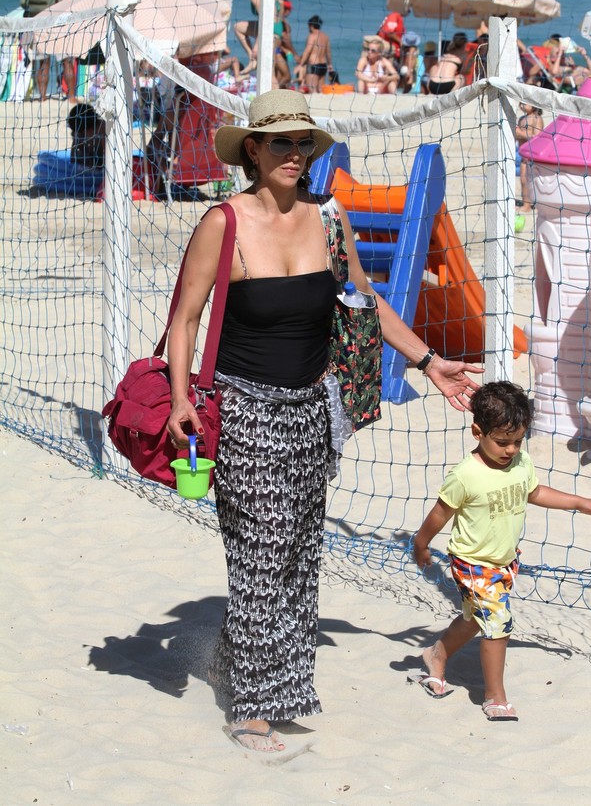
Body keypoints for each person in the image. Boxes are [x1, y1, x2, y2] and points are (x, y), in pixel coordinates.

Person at [165, 89, 483, 754]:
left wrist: (429, 362)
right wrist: (179, 399)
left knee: (297, 559)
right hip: (244, 407)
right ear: (252, 150)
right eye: (280, 142)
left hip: (313, 414)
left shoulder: (329, 219)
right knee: (260, 552)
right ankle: (251, 708)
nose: (294, 154)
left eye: (302, 142)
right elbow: (184, 321)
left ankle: (241, 665)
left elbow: (367, 302)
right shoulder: (223, 223)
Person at [413, 381, 591, 722]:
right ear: (478, 432)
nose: (510, 449)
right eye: (502, 442)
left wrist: (578, 503)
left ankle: (437, 655)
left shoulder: (521, 463)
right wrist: (420, 544)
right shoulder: (466, 475)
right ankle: (495, 696)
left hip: (504, 560)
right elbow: (439, 514)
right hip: (471, 561)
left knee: (476, 619)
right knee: (498, 622)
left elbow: (535, 492)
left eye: (517, 441)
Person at [515, 102, 544, 212]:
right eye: (520, 103)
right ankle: (526, 204)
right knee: (523, 179)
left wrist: (520, 133)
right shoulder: (522, 118)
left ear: (534, 104)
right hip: (523, 156)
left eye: (525, 103)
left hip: (533, 155)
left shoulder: (537, 118)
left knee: (534, 180)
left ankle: (535, 203)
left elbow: (537, 137)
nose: (522, 105)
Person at [295, 15, 333, 93]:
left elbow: (307, 51)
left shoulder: (312, 36)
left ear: (311, 26)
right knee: (320, 90)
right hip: (323, 65)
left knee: (312, 90)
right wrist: (329, 65)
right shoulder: (325, 37)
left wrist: (301, 65)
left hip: (313, 65)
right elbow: (328, 52)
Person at [67, 103, 105, 168]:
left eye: (82, 134)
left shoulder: (104, 132)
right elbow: (73, 162)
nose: (80, 136)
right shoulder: (80, 132)